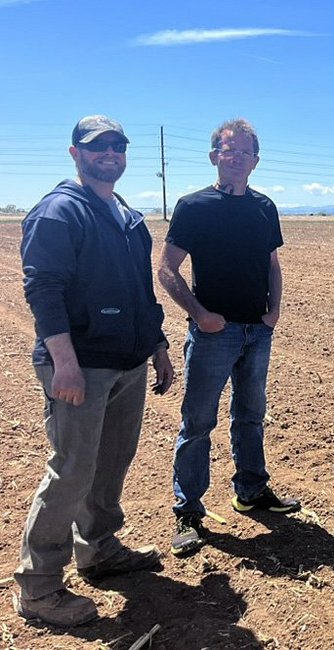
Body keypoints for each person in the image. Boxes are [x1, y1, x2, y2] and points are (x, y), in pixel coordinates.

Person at [13, 115, 174, 627]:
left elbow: (138, 291)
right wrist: (65, 363)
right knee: (72, 469)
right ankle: (37, 587)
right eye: (97, 146)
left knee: (111, 463)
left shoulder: (123, 212)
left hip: (126, 361)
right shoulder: (60, 211)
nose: (110, 153)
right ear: (75, 153)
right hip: (81, 363)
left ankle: (98, 550)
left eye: (118, 145)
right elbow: (43, 290)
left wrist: (158, 345)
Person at [158, 118, 298, 559]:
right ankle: (188, 510)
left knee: (252, 413)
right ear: (214, 155)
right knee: (198, 422)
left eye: (244, 152)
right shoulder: (194, 206)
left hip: (257, 331)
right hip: (213, 334)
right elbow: (166, 269)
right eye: (227, 149)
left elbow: (272, 264)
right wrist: (200, 315)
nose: (235, 157)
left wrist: (274, 313)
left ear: (255, 161)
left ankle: (251, 491)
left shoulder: (264, 207)